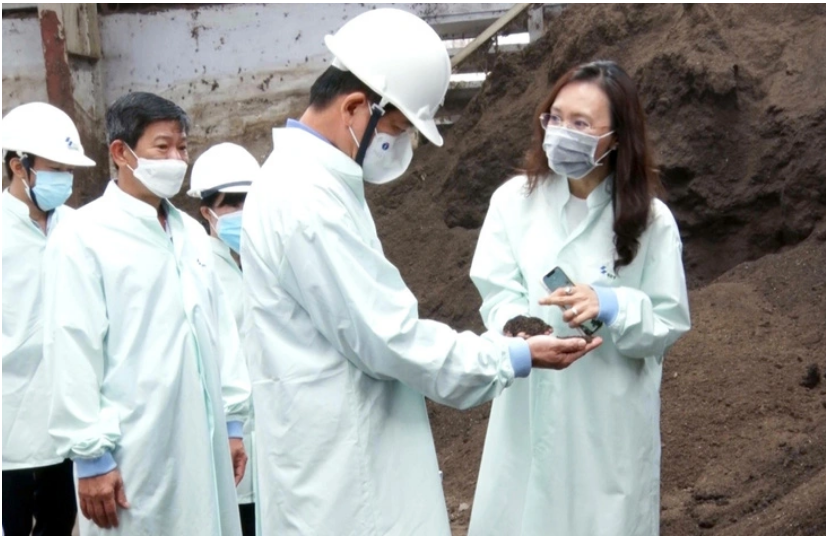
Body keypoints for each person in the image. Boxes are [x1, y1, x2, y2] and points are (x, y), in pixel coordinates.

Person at [241, 9, 602, 535]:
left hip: (331, 449)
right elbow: (391, 338)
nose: (402, 145)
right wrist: (514, 355)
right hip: (347, 474)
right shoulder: (307, 200)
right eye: (398, 128)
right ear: (355, 107)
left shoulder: (312, 181)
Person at [467, 60, 692, 536]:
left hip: (607, 417)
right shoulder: (513, 202)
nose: (562, 133)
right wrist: (521, 328)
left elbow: (668, 321)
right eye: (555, 118)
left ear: (616, 138)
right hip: (531, 395)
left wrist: (612, 306)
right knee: (524, 510)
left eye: (581, 124)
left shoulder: (652, 221)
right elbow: (496, 288)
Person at [42, 92, 251, 536]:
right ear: (121, 152)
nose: (177, 158)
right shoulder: (83, 236)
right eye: (162, 146)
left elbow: (221, 334)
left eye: (183, 147)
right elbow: (72, 346)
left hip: (204, 441)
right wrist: (91, 455)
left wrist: (233, 423)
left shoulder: (192, 235)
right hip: (133, 453)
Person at [2, 102, 95, 536]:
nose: (64, 180)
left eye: (68, 170)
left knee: (60, 520)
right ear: (18, 166)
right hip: (9, 416)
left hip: (65, 413)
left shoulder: (78, 228)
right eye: (54, 168)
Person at [188, 142, 260, 536]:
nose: (242, 213)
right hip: (226, 433)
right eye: (231, 204)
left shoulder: (265, 261)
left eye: (247, 200)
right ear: (207, 213)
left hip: (271, 433)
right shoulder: (200, 269)